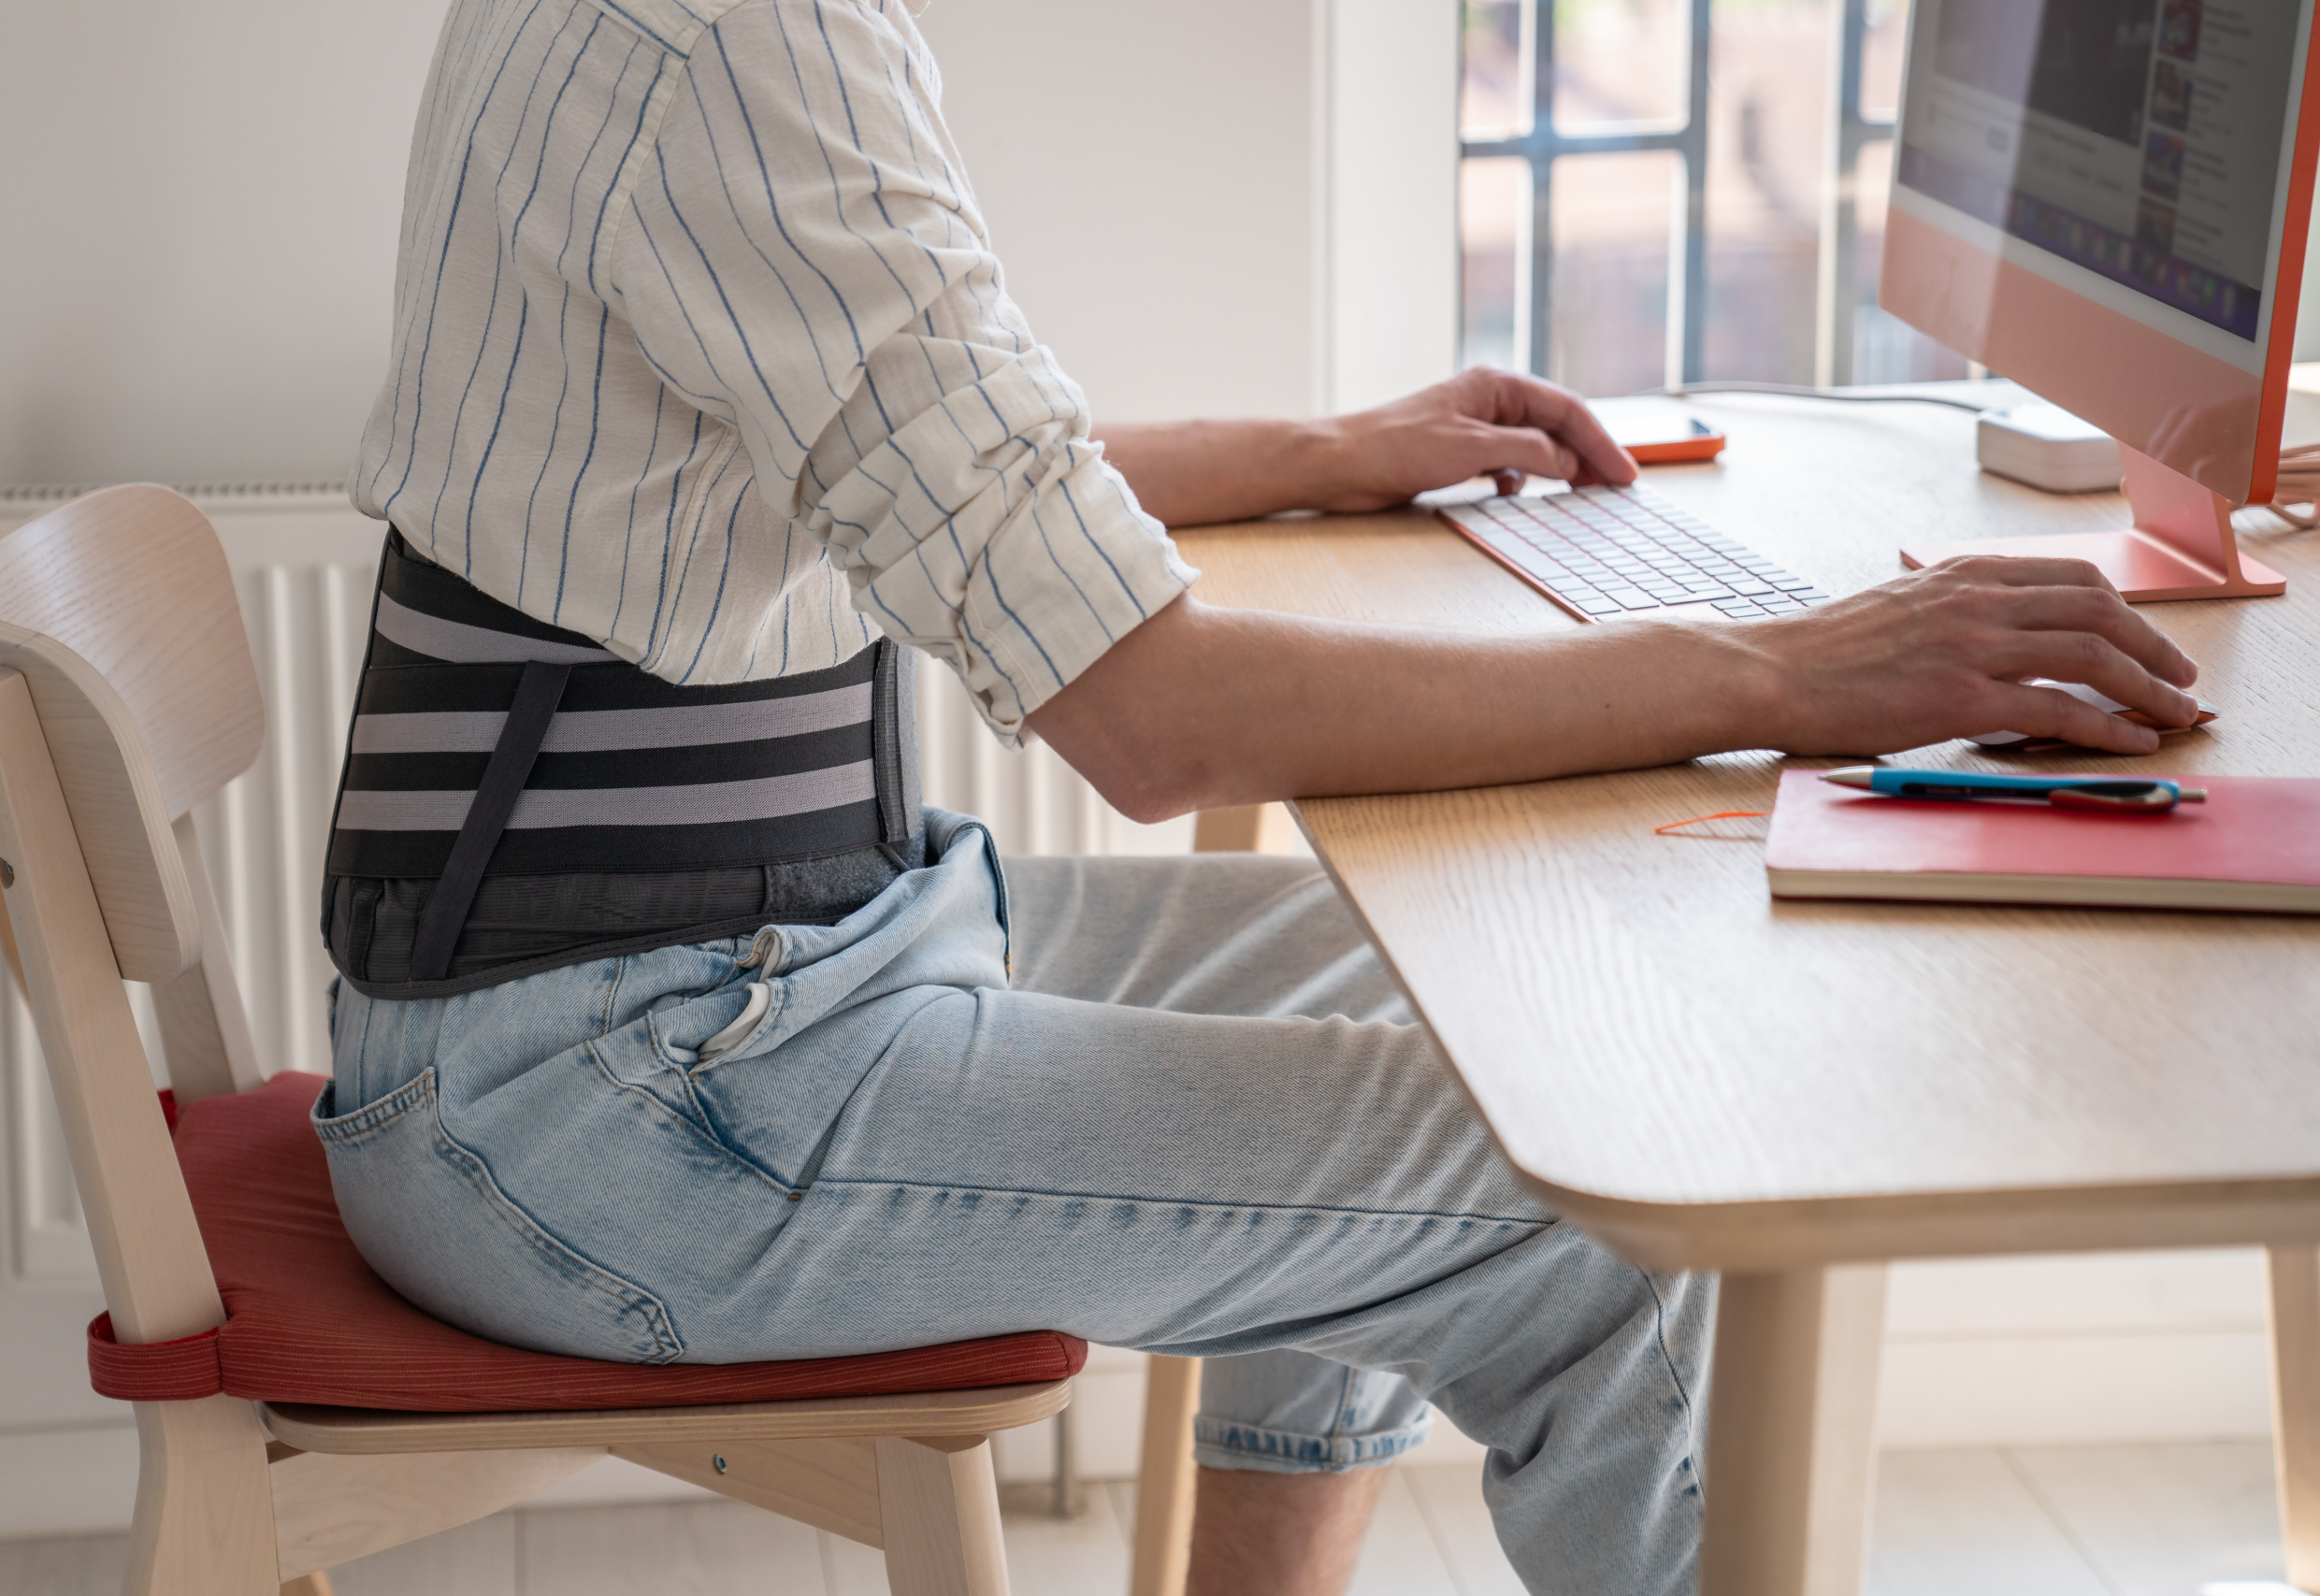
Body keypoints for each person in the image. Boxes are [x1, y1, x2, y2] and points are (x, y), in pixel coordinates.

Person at [315, 1, 2202, 1591]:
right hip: (605, 1099)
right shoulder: (741, 36)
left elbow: (922, 455)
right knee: (1583, 1195)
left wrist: (1331, 452)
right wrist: (1782, 673)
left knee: (1464, 974)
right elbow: (1157, 721)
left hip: (714, 979)